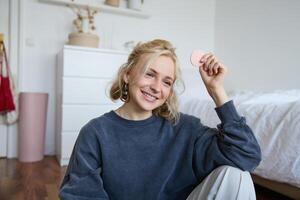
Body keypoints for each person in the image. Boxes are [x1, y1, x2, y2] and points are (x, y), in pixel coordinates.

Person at [59, 39, 261, 200]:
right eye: (149, 74)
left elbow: (247, 155)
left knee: (237, 174)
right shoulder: (95, 132)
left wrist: (216, 90)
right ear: (127, 75)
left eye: (167, 82)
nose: (157, 87)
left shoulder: (186, 128)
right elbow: (80, 194)